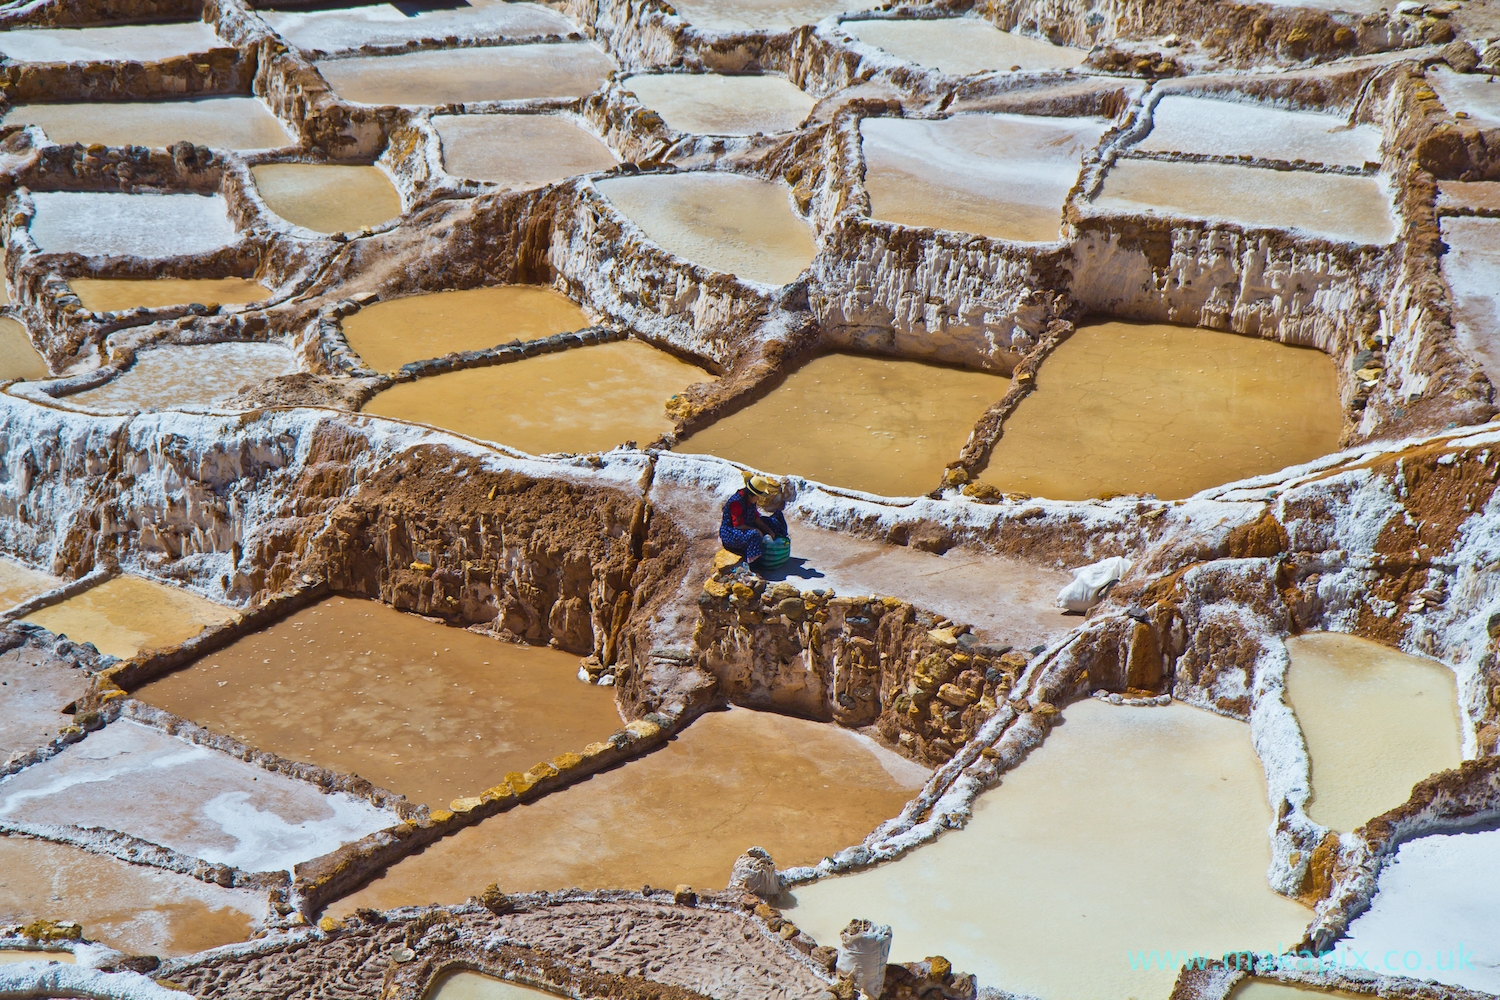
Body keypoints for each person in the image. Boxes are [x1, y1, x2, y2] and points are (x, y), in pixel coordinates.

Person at [720, 471, 789, 568]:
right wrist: (757, 530)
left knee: (773, 521)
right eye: (758, 497)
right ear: (752, 494)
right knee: (754, 535)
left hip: (746, 524)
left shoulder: (750, 500)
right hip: (731, 532)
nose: (758, 499)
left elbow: (755, 517)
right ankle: (754, 565)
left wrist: (768, 530)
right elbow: (738, 525)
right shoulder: (736, 502)